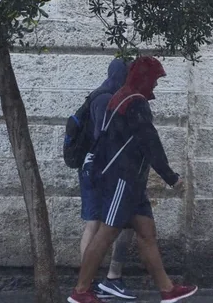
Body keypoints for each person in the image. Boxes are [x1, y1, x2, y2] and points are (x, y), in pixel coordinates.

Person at [69, 56, 198, 303]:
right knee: (106, 234)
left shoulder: (122, 98)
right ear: (144, 78)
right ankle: (81, 291)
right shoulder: (135, 102)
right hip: (123, 180)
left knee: (147, 233)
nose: (157, 86)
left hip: (130, 182)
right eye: (155, 80)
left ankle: (167, 290)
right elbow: (150, 143)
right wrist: (171, 177)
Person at [78, 58, 138, 300]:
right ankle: (89, 284)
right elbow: (105, 138)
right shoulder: (105, 99)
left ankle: (103, 280)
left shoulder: (108, 96)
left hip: (101, 168)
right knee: (96, 223)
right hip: (99, 170)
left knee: (119, 223)